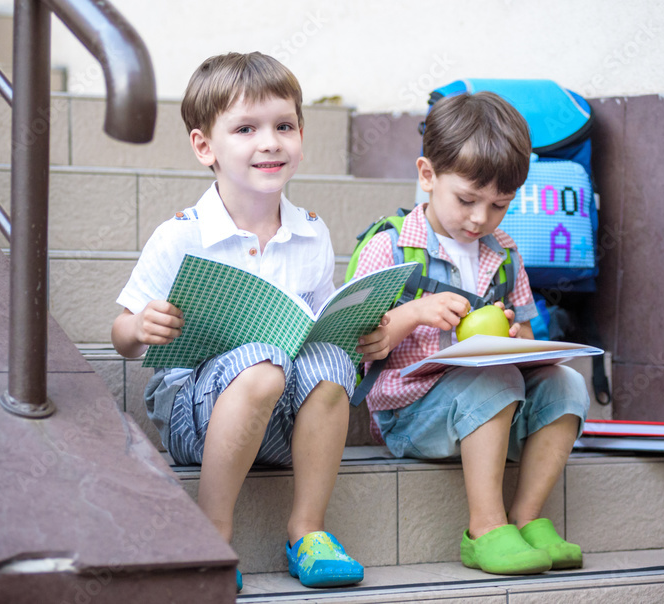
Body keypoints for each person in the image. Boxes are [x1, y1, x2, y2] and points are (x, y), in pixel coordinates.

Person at [112, 52, 363, 590]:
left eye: (284, 126)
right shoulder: (181, 234)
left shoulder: (312, 233)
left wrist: (358, 328)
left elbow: (320, 320)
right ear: (205, 146)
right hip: (194, 423)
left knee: (329, 359)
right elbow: (121, 337)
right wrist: (139, 328)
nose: (270, 142)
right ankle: (212, 534)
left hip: (278, 424)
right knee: (262, 360)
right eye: (246, 128)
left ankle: (308, 530)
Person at [351, 91, 590, 575]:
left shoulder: (502, 253)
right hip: (410, 414)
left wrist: (514, 337)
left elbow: (524, 335)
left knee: (567, 384)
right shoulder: (391, 247)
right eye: (467, 200)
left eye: (499, 205)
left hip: (491, 401)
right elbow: (357, 343)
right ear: (427, 175)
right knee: (494, 381)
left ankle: (526, 519)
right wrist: (415, 312)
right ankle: (485, 528)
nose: (480, 218)